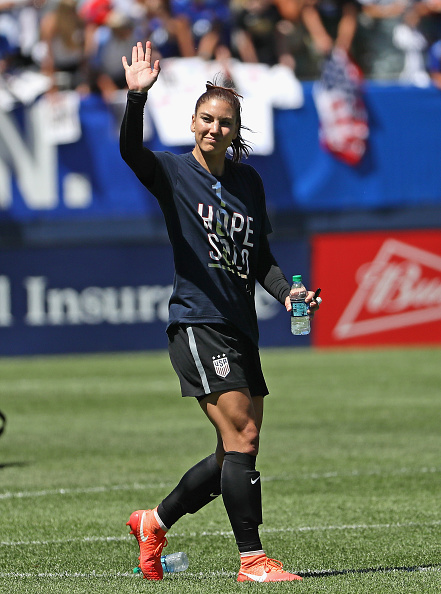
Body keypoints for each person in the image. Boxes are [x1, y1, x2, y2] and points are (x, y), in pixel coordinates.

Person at [120, 40, 320, 583]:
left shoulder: (249, 183)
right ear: (192, 122)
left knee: (231, 450)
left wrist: (287, 294)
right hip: (197, 323)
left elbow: (262, 259)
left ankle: (154, 522)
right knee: (244, 440)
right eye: (206, 119)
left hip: (239, 328)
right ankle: (252, 561)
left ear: (236, 130)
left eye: (225, 122)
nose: (214, 129)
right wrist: (137, 99)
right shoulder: (171, 172)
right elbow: (131, 155)